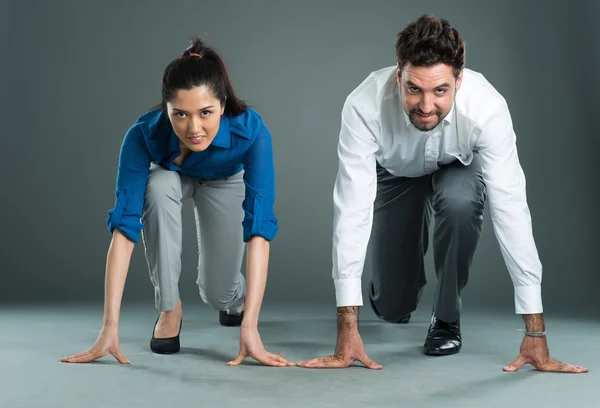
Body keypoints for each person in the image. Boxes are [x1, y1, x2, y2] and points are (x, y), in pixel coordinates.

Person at [298, 15, 587, 373]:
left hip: (456, 168)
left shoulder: (487, 109)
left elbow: (511, 208)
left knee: (461, 201)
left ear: (459, 81)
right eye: (414, 89)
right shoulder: (364, 105)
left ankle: (446, 317)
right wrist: (347, 325)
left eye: (440, 91)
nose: (426, 106)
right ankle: (399, 289)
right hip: (395, 174)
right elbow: (351, 209)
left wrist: (536, 332)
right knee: (391, 305)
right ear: (399, 74)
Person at [60, 37, 293, 367]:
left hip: (224, 181)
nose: (194, 128)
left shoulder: (251, 131)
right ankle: (169, 308)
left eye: (206, 113)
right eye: (180, 114)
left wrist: (251, 327)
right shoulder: (143, 135)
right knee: (155, 185)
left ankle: (233, 299)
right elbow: (125, 229)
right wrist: (109, 328)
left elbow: (259, 229)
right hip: (172, 177)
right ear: (167, 110)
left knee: (217, 293)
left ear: (223, 106)